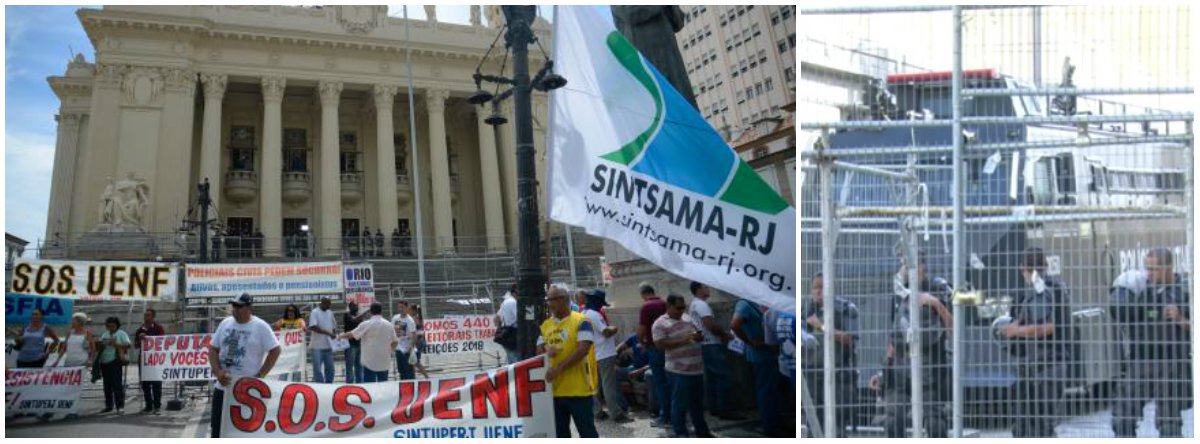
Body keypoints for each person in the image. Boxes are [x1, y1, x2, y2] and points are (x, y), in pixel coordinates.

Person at [1110, 248, 1191, 437]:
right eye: (1147, 268)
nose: (1149, 273)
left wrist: (1181, 319)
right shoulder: (1141, 289)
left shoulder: (1185, 290)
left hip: (1172, 362)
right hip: (1141, 360)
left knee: (1169, 424)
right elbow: (1121, 313)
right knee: (1122, 418)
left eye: (1154, 269)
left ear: (1169, 267)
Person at [874, 257, 952, 438]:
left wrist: (935, 303)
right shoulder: (900, 294)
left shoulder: (937, 288)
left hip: (930, 364)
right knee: (893, 419)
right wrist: (883, 369)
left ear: (924, 267)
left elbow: (952, 327)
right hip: (901, 364)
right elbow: (894, 336)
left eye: (915, 264)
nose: (909, 270)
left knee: (935, 422)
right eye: (904, 265)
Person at [998, 247, 1072, 437]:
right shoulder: (1054, 288)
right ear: (1045, 266)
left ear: (1023, 268)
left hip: (1045, 365)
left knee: (1037, 427)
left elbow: (1047, 327)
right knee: (1031, 426)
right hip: (1041, 366)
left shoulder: (1041, 291)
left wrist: (1016, 330)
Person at [208, 293, 281, 438]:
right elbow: (213, 349)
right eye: (233, 306)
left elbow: (275, 350)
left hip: (247, 392)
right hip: (222, 388)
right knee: (217, 429)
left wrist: (260, 376)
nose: (234, 309)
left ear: (249, 308)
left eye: (238, 306)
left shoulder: (260, 326)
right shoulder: (225, 323)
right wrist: (217, 372)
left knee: (244, 432)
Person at [538, 285, 600, 438]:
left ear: (564, 299)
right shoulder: (545, 325)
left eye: (552, 299)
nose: (549, 303)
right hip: (555, 391)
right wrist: (546, 350)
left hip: (579, 390)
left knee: (587, 432)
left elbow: (583, 349)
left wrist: (559, 368)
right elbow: (538, 350)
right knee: (560, 434)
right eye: (548, 300)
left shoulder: (582, 321)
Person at [802, 272, 858, 437]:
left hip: (838, 376)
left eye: (823, 287)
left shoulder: (846, 308)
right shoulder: (805, 309)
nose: (819, 291)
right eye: (815, 287)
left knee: (836, 427)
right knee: (813, 427)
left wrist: (822, 326)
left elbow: (850, 339)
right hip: (811, 375)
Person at [653, 294, 714, 438]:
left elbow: (698, 334)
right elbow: (660, 345)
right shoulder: (660, 323)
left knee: (697, 404)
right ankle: (681, 433)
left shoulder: (688, 318)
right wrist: (684, 340)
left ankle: (702, 431)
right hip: (678, 370)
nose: (681, 310)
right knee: (679, 405)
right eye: (678, 308)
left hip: (696, 369)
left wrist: (699, 336)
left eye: (683, 307)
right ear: (668, 306)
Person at [687, 281, 741, 420]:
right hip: (711, 344)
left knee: (712, 378)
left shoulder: (695, 304)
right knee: (723, 376)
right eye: (705, 287)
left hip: (705, 345)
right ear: (698, 289)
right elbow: (709, 324)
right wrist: (725, 335)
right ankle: (725, 410)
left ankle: (715, 407)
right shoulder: (701, 304)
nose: (708, 288)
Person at [731, 297, 779, 437]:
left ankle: (772, 422)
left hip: (768, 352)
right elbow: (734, 325)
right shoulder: (744, 304)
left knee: (770, 389)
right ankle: (770, 426)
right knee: (765, 390)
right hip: (760, 354)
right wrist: (751, 342)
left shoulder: (756, 302)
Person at [582, 289, 629, 422]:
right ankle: (616, 414)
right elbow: (606, 332)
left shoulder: (583, 314)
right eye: (600, 303)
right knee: (609, 385)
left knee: (595, 386)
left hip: (592, 354)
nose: (601, 306)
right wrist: (614, 328)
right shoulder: (595, 315)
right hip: (604, 354)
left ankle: (597, 411)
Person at [637, 282, 671, 428]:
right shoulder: (665, 303)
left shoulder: (646, 306)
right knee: (671, 380)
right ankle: (676, 414)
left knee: (661, 382)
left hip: (655, 347)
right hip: (671, 346)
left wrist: (642, 343)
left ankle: (665, 417)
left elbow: (641, 331)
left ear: (643, 294)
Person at [338, 302, 396, 383]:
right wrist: (389, 351)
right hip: (384, 362)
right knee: (383, 387)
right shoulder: (389, 325)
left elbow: (351, 334)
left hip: (369, 363)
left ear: (371, 312)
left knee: (370, 388)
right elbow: (395, 342)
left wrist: (340, 336)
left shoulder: (366, 324)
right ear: (381, 311)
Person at [765, 306, 797, 436]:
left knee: (788, 401)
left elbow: (770, 341)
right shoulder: (801, 309)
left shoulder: (771, 312)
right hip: (803, 365)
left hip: (784, 364)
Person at [134, 309, 167, 414]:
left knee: (157, 384)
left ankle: (157, 406)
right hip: (143, 361)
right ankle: (148, 406)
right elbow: (135, 345)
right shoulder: (140, 330)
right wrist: (140, 340)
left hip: (156, 361)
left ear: (153, 317)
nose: (146, 317)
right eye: (145, 315)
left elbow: (162, 342)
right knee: (145, 385)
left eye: (148, 315)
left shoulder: (159, 328)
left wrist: (148, 338)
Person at [98, 316, 132, 414]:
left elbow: (128, 345)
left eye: (112, 326)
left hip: (115, 361)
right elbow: (100, 345)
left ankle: (120, 406)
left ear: (117, 325)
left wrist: (115, 344)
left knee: (117, 385)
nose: (110, 328)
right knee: (106, 385)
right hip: (104, 361)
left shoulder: (121, 333)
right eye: (108, 326)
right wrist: (100, 344)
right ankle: (109, 405)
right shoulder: (105, 334)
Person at [308, 296, 337, 383]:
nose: (329, 306)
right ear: (322, 303)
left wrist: (334, 334)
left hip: (328, 346)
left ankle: (329, 386)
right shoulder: (315, 312)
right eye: (328, 304)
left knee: (330, 368)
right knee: (317, 369)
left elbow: (334, 326)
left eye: (330, 304)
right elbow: (313, 327)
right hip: (317, 347)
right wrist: (328, 333)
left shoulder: (330, 312)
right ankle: (320, 387)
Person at [495, 284, 520, 364]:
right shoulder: (513, 302)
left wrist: (500, 327)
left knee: (510, 360)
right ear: (516, 291)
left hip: (506, 334)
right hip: (512, 335)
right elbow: (519, 318)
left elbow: (496, 318)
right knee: (516, 361)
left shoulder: (505, 302)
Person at [342, 302, 367, 383]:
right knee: (350, 367)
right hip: (350, 345)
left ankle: (360, 384)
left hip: (359, 344)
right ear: (350, 307)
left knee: (359, 367)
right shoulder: (347, 315)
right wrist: (364, 313)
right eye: (354, 306)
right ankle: (349, 385)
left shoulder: (360, 316)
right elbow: (354, 320)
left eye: (357, 305)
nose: (356, 307)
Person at [392, 301, 418, 380]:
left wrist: (411, 347)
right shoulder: (395, 318)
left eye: (402, 307)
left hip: (407, 350)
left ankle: (411, 387)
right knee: (401, 370)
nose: (400, 309)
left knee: (409, 371)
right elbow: (392, 331)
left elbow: (414, 335)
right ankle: (403, 387)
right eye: (399, 307)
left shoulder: (410, 320)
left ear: (407, 308)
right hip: (398, 348)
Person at [407, 303, 430, 379]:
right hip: (419, 341)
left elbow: (416, 333)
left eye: (409, 310)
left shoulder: (414, 319)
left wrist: (413, 345)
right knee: (412, 361)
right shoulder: (416, 318)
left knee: (416, 362)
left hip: (417, 342)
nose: (408, 311)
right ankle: (413, 377)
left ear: (413, 311)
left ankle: (426, 376)